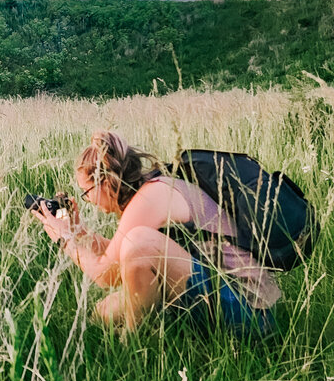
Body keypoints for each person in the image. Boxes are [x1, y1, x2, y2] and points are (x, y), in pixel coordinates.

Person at [32, 130, 281, 335]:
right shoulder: (150, 192)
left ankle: (132, 348)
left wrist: (65, 239)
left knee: (139, 242)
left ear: (105, 182)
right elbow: (119, 259)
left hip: (249, 311)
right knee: (103, 311)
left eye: (86, 193)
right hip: (218, 293)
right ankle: (158, 331)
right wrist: (78, 232)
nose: (88, 201)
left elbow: (106, 275)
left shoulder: (151, 197)